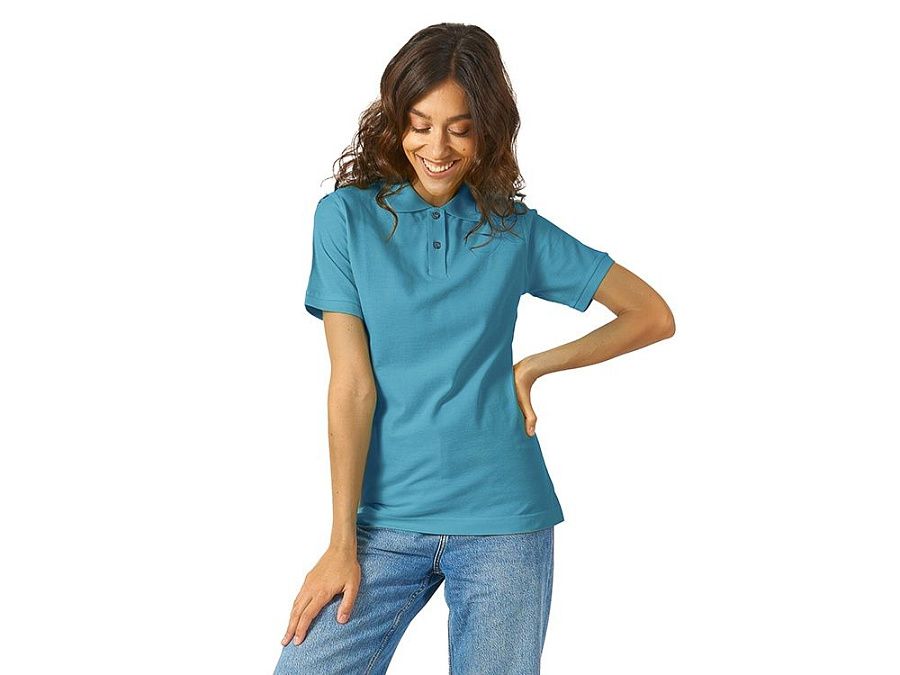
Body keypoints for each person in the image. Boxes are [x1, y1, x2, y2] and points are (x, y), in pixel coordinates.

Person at [274, 22, 675, 675]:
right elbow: (352, 385)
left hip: (504, 519)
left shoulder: (514, 231)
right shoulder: (345, 219)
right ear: (395, 120)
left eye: (459, 129)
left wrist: (535, 365)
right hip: (384, 519)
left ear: (487, 130)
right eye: (420, 124)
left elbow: (651, 314)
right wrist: (341, 541)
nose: (437, 147)